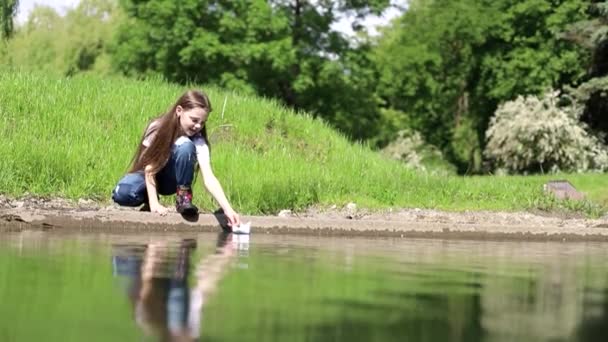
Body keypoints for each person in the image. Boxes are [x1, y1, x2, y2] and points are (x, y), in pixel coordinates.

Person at [111, 90, 240, 227]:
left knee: (185, 145)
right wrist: (154, 204)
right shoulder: (157, 127)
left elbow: (209, 178)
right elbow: (149, 168)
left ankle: (183, 198)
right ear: (179, 111)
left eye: (202, 123)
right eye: (194, 120)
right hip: (148, 176)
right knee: (122, 194)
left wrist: (228, 209)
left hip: (171, 181)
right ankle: (148, 200)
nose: (198, 126)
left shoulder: (198, 141)